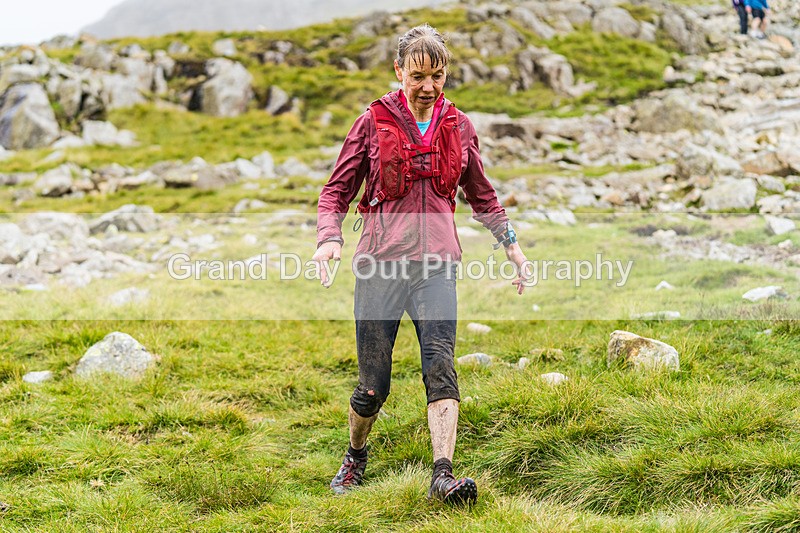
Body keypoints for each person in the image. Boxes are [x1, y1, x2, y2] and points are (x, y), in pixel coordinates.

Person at [313, 24, 531, 504]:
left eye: (437, 76)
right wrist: (329, 239)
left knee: (441, 366)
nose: (428, 87)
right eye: (418, 76)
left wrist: (511, 246)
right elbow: (336, 191)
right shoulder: (372, 121)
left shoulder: (459, 126)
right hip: (380, 267)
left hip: (437, 266)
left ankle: (442, 477)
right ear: (399, 72)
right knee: (373, 386)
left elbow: (482, 194)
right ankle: (355, 455)